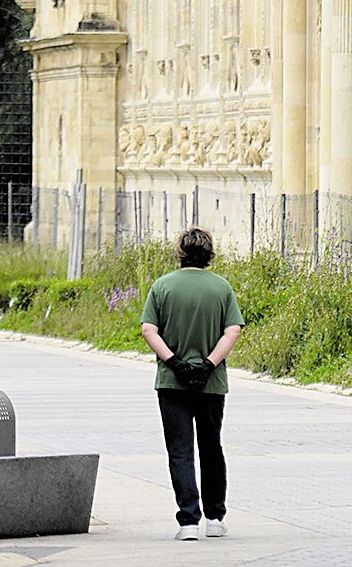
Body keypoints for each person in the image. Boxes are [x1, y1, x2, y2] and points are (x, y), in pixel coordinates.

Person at [140, 227, 244, 541]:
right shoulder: (222, 288)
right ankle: (215, 517)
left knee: (180, 450)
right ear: (209, 254)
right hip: (211, 384)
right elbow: (233, 331)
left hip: (172, 383)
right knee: (211, 448)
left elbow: (149, 329)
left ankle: (188, 521)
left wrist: (174, 362)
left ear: (180, 252)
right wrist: (209, 364)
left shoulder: (162, 286)